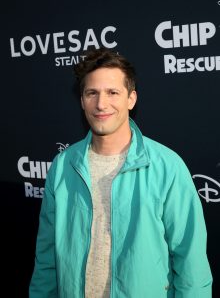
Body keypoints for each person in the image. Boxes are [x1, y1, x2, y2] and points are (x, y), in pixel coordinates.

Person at [29, 48, 212, 298]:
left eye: (113, 92)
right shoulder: (62, 167)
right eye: (92, 93)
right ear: (82, 100)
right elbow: (47, 259)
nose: (101, 104)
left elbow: (191, 264)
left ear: (131, 99)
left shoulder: (167, 167)